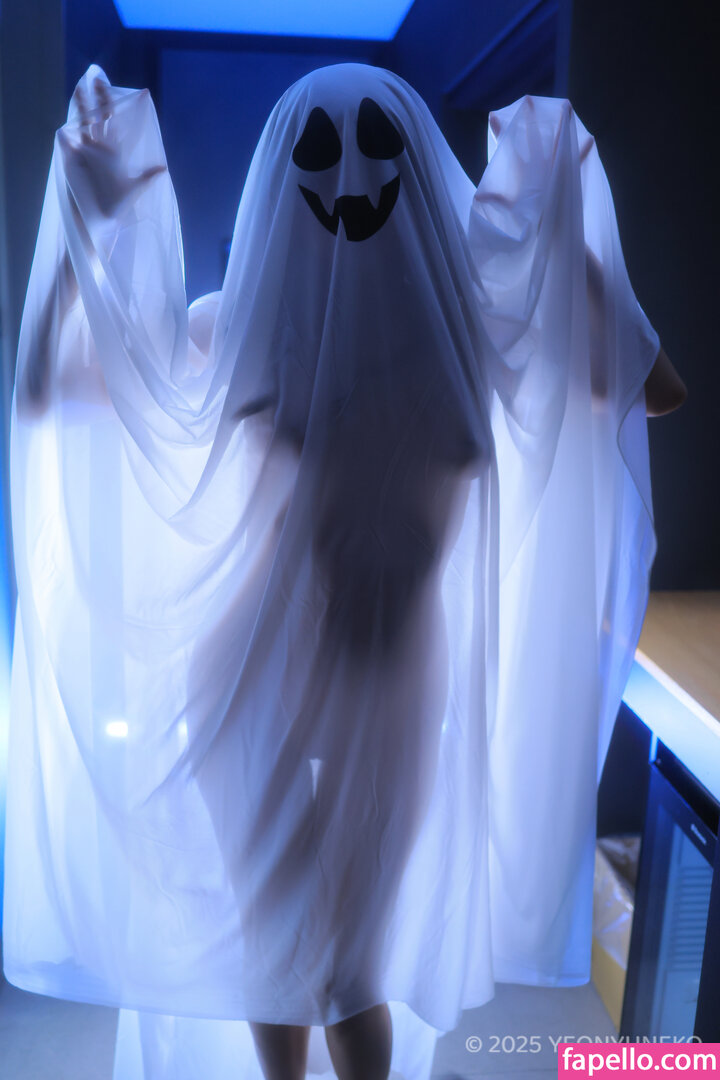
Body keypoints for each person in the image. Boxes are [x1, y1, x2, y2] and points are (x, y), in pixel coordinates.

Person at [4, 64, 685, 1080]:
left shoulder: (474, 340)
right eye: (320, 155)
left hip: (398, 694)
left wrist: (560, 223)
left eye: (377, 151)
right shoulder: (235, 329)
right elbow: (48, 390)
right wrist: (88, 231)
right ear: (284, 181)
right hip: (251, 682)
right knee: (278, 949)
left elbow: (652, 388)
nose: (352, 176)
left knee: (350, 971)